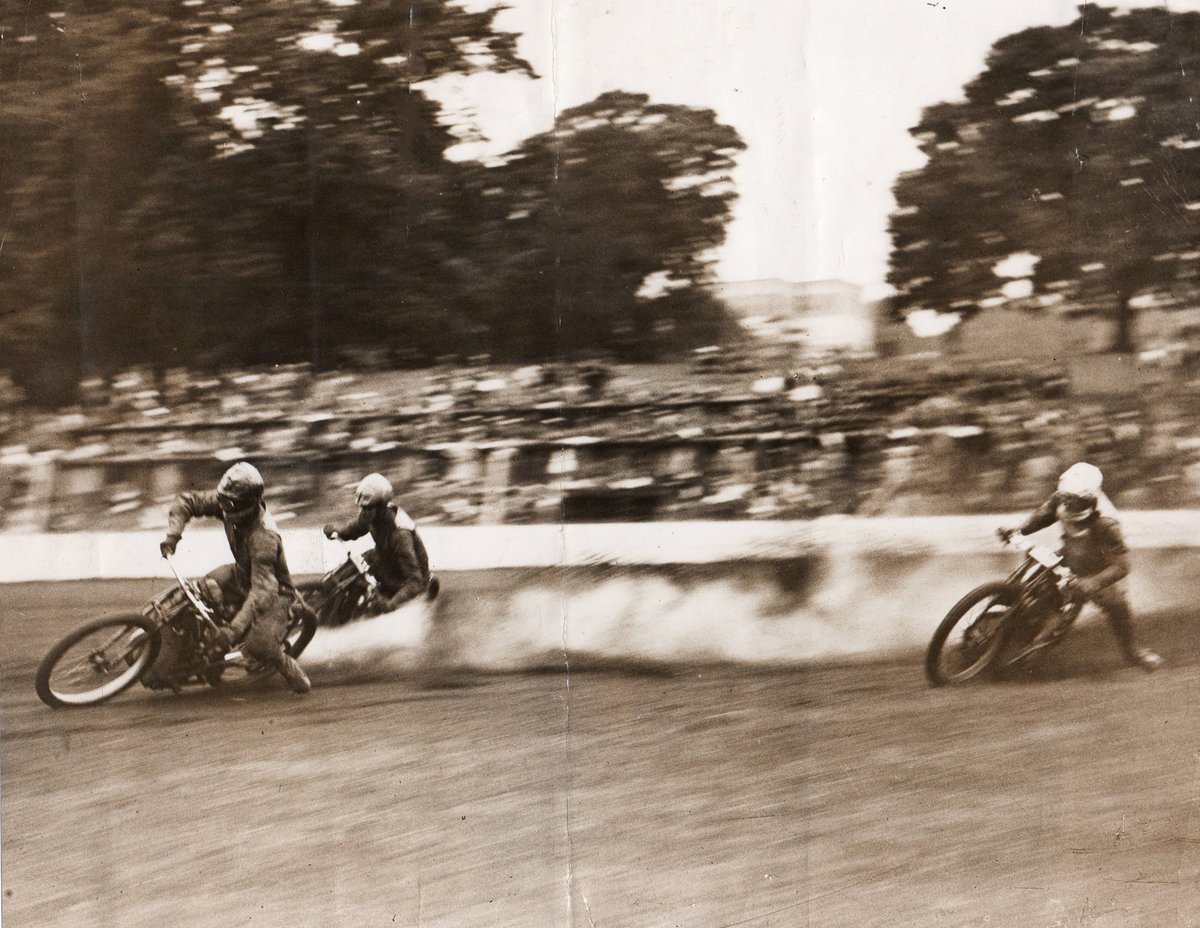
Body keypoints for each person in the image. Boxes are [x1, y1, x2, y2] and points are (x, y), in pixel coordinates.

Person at [159, 461, 312, 693]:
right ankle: (200, 654)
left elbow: (262, 591)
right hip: (241, 575)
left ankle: (287, 665)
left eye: (230, 503)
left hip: (274, 592)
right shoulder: (229, 503)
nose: (224, 508)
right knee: (201, 591)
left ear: (248, 504)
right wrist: (173, 535)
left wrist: (234, 630)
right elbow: (187, 501)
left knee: (258, 646)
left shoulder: (263, 537)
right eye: (224, 500)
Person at [1000, 462, 1162, 672]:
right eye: (1066, 497)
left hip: (1099, 568)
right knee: (1032, 574)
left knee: (1117, 605)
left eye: (1076, 500)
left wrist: (1092, 583)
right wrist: (1017, 529)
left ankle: (1134, 652)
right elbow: (1042, 516)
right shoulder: (1061, 498)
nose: (1069, 503)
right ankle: (1013, 614)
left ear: (1093, 497)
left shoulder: (1107, 522)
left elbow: (1122, 566)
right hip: (1069, 555)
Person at [323, 473, 437, 613]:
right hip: (385, 559)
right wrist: (338, 532)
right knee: (354, 565)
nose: (363, 512)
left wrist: (391, 605)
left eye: (367, 508)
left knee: (374, 605)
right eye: (362, 508)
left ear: (381, 507)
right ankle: (322, 595)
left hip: (403, 579)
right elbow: (357, 527)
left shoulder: (400, 535)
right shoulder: (374, 517)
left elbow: (415, 581)